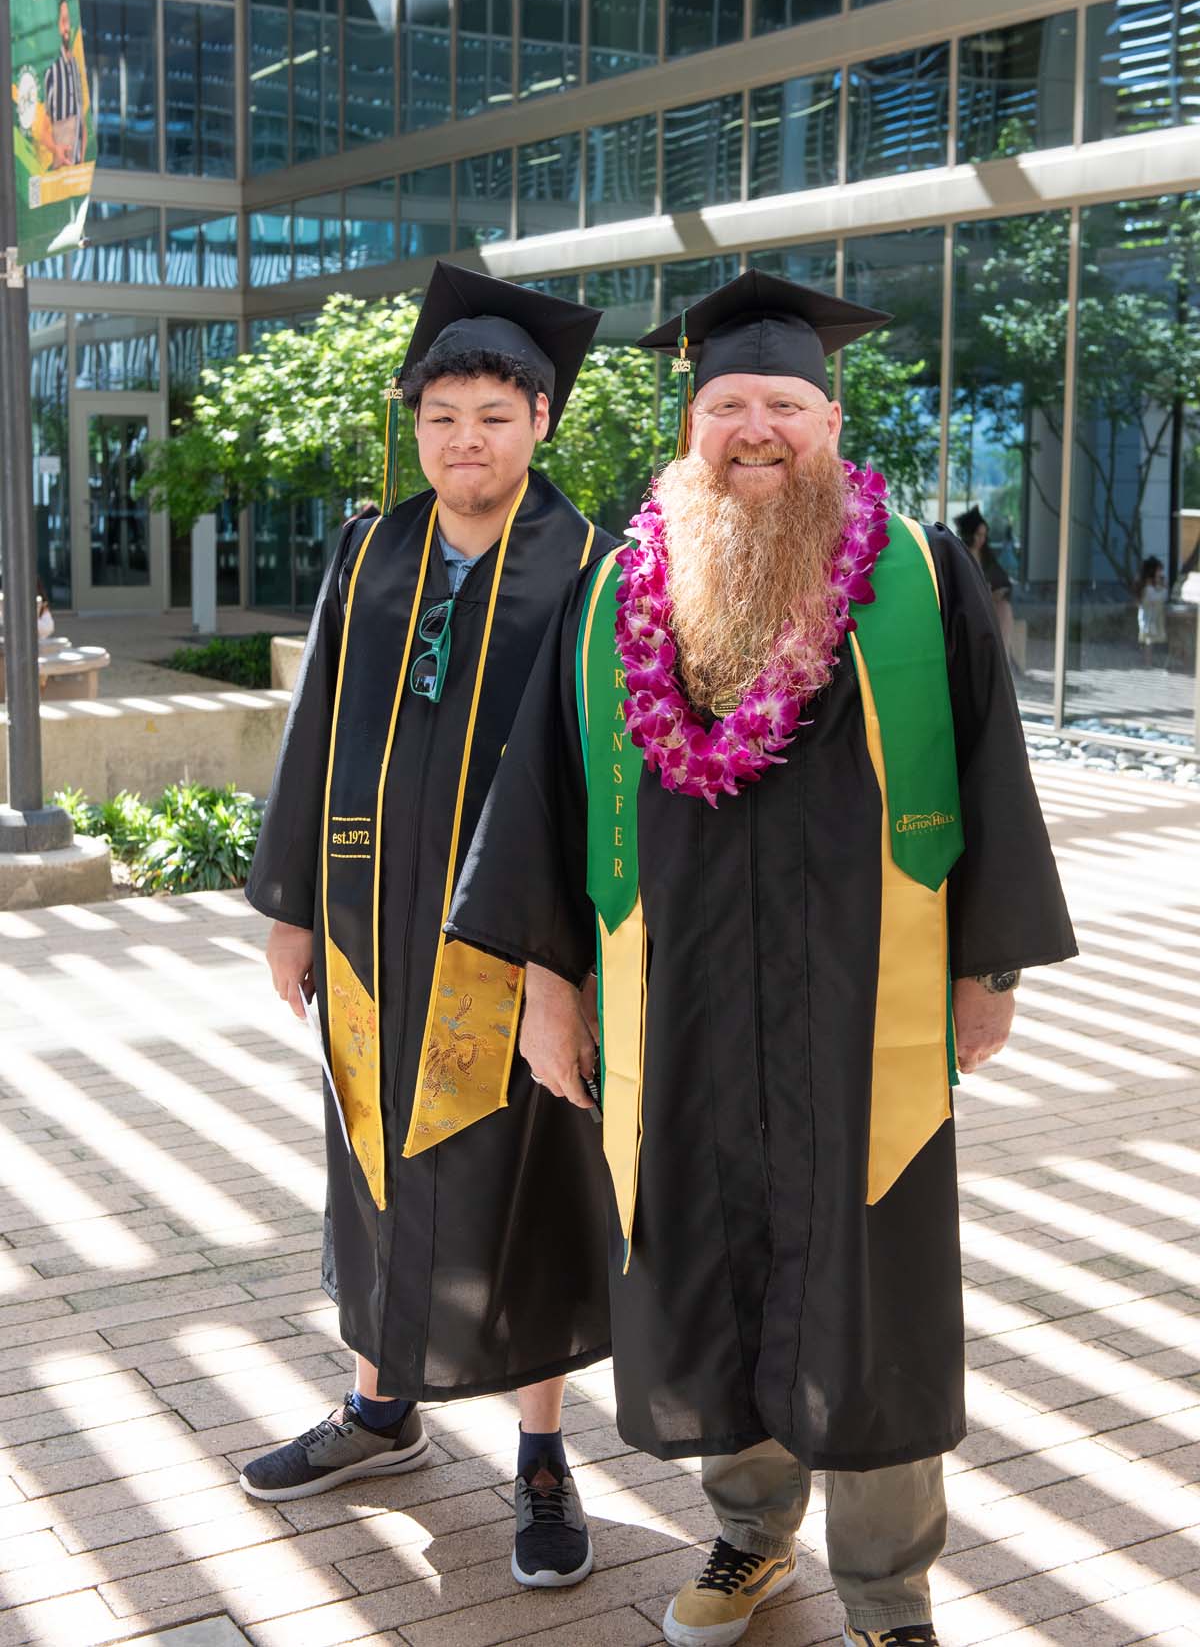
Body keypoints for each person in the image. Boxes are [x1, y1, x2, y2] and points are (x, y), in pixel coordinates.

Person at [447, 269, 1077, 1646]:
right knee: (704, 1265)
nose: (755, 425)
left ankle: (889, 1589)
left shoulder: (914, 574)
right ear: (691, 421)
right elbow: (544, 792)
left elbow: (989, 767)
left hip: (865, 1004)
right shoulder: (622, 587)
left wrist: (990, 966)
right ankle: (747, 1538)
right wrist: (549, 983)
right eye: (728, 400)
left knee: (873, 1291)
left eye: (783, 402)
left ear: (829, 420)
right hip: (678, 1007)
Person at [241, 264, 615, 1590]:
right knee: (369, 1159)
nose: (466, 438)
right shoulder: (373, 547)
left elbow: (601, 770)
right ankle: (381, 1407)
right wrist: (287, 906)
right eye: (443, 413)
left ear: (544, 420)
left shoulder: (590, 565)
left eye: (494, 416)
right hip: (364, 928)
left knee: (529, 1190)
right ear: (417, 426)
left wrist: (565, 958)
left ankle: (540, 1453)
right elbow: (313, 729)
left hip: (513, 944)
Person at [954, 505, 1014, 665]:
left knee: (1004, 608)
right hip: (969, 606)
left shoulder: (985, 555)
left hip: (989, 603)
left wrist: (996, 592)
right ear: (970, 534)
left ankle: (1002, 659)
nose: (981, 539)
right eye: (978, 535)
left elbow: (1001, 579)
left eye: (984, 535)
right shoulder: (960, 554)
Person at [43, 0, 83, 169]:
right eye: (63, 21)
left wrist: (82, 157)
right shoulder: (51, 71)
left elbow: (82, 117)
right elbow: (41, 129)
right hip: (59, 174)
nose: (67, 27)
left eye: (69, 21)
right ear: (58, 25)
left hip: (76, 172)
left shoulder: (76, 66)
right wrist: (55, 149)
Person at [1136, 555, 1168, 667]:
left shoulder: (1149, 585)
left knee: (1149, 640)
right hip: (1149, 617)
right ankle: (1147, 662)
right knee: (1148, 640)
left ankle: (1147, 660)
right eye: (1159, 570)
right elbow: (1158, 598)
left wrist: (1161, 586)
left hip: (1150, 616)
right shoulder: (1148, 587)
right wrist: (1164, 588)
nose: (1161, 573)